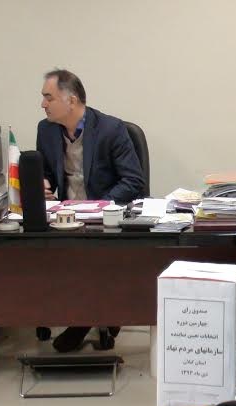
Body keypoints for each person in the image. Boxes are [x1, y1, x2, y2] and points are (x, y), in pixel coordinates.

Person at [36, 69, 146, 352]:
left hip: (104, 219)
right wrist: (43, 183)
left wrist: (97, 207)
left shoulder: (111, 129)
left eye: (48, 97)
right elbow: (46, 171)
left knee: (92, 259)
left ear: (71, 100)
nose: (43, 104)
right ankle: (97, 315)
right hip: (65, 219)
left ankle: (85, 321)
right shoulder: (46, 130)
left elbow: (133, 181)